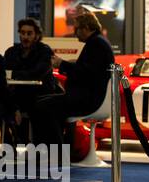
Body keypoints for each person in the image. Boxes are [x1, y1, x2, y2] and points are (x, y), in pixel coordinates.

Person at [29, 11, 114, 151]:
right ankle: (56, 150)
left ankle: (55, 151)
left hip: (87, 99)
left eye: (77, 29)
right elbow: (89, 69)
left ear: (86, 28)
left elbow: (86, 73)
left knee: (41, 106)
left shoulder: (96, 44)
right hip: (88, 97)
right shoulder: (98, 42)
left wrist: (62, 64)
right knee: (41, 103)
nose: (75, 33)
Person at [3, 18, 57, 142]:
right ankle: (8, 144)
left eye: (29, 33)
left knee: (35, 105)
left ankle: (35, 144)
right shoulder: (11, 52)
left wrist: (14, 74)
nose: (25, 37)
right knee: (2, 102)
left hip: (40, 94)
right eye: (22, 33)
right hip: (18, 95)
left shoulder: (44, 51)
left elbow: (37, 74)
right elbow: (4, 74)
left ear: (37, 35)